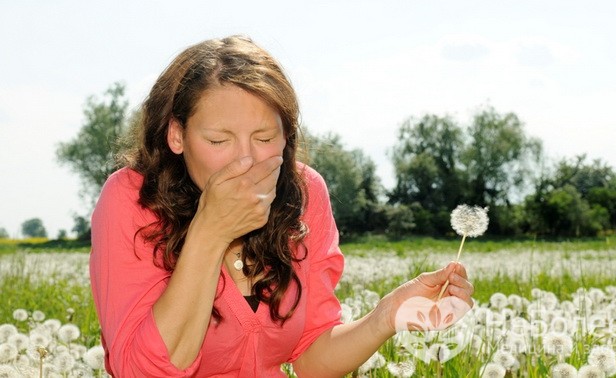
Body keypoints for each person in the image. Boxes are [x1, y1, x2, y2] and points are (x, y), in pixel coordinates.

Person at [89, 35, 474, 377]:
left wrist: (386, 316)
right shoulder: (131, 200)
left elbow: (311, 357)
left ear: (287, 135)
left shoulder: (304, 193)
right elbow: (142, 371)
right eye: (219, 140)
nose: (246, 161)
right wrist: (211, 233)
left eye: (264, 137)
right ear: (177, 135)